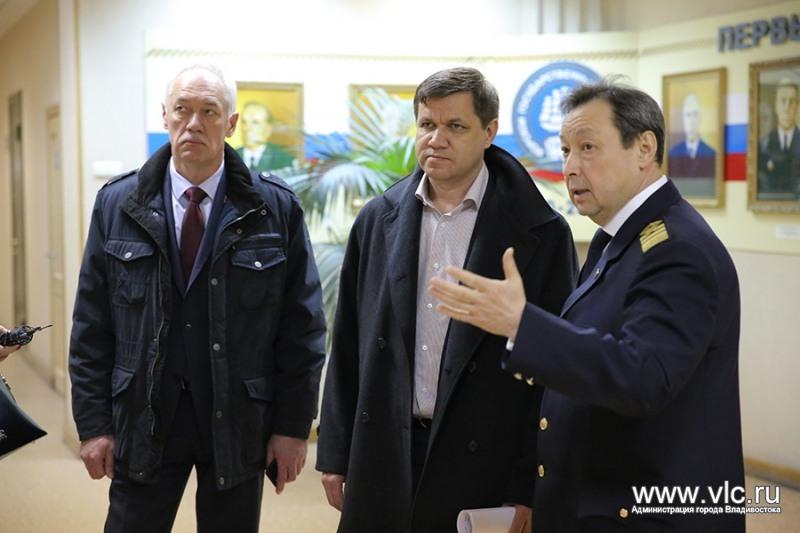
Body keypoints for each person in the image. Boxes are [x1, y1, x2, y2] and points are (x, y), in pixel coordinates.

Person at [430, 79, 745, 532]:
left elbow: (642, 376)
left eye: (588, 147)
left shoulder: (677, 249)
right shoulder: (615, 239)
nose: (571, 167)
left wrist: (522, 325)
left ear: (644, 148)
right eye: (565, 151)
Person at [316, 67, 577, 533]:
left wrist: (526, 484)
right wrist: (336, 452)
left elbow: (552, 373)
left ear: (489, 132)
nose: (436, 139)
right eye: (427, 124)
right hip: (385, 448)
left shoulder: (542, 232)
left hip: (483, 456)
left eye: (455, 126)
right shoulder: (378, 219)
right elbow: (349, 342)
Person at [69, 64, 326, 532]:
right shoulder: (118, 203)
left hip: (237, 417)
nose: (193, 124)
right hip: (144, 415)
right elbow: (91, 324)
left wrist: (292, 427)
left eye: (209, 112)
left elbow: (302, 328)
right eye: (182, 110)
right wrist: (93, 424)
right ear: (164, 116)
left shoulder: (273, 207)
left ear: (231, 123)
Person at [758, 79, 800, 197]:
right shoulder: (763, 146)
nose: (787, 108)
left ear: (797, 106)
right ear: (776, 106)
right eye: (783, 101)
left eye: (792, 101)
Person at [237, 101, 296, 172]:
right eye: (244, 122)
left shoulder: (283, 158)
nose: (246, 128)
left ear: (268, 129)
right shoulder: (229, 156)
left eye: (255, 122)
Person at [667, 93, 715, 178]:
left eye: (695, 115)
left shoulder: (711, 154)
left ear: (700, 118)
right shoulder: (672, 154)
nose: (691, 121)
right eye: (688, 115)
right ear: (683, 119)